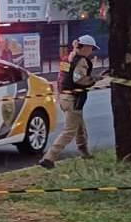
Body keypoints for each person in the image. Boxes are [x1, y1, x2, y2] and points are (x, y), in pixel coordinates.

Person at [39, 34, 99, 169]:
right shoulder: (81, 61)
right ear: (85, 47)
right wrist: (94, 79)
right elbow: (78, 79)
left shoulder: (67, 58)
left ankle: (85, 152)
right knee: (70, 130)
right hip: (73, 98)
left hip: (64, 97)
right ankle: (49, 157)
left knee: (79, 126)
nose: (91, 52)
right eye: (91, 49)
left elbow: (63, 78)